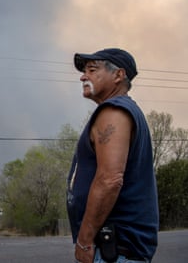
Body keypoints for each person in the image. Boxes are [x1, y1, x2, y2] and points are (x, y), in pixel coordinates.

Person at [66, 48, 159, 262]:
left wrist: (85, 240)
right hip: (117, 249)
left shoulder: (114, 111)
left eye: (91, 69)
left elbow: (109, 180)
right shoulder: (122, 110)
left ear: (118, 75)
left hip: (114, 249)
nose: (83, 76)